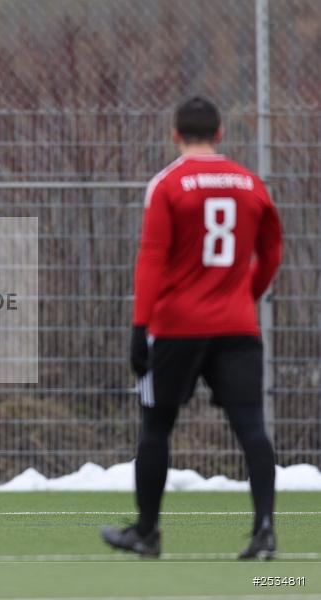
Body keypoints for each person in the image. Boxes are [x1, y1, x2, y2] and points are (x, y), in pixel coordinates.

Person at [101, 97, 283, 559]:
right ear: (221, 132)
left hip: (177, 327)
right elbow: (273, 251)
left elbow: (152, 259)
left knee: (156, 426)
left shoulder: (168, 185)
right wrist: (246, 296)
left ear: (175, 134)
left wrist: (139, 326)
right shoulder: (251, 183)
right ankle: (264, 531)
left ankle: (147, 532)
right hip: (238, 326)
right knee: (252, 428)